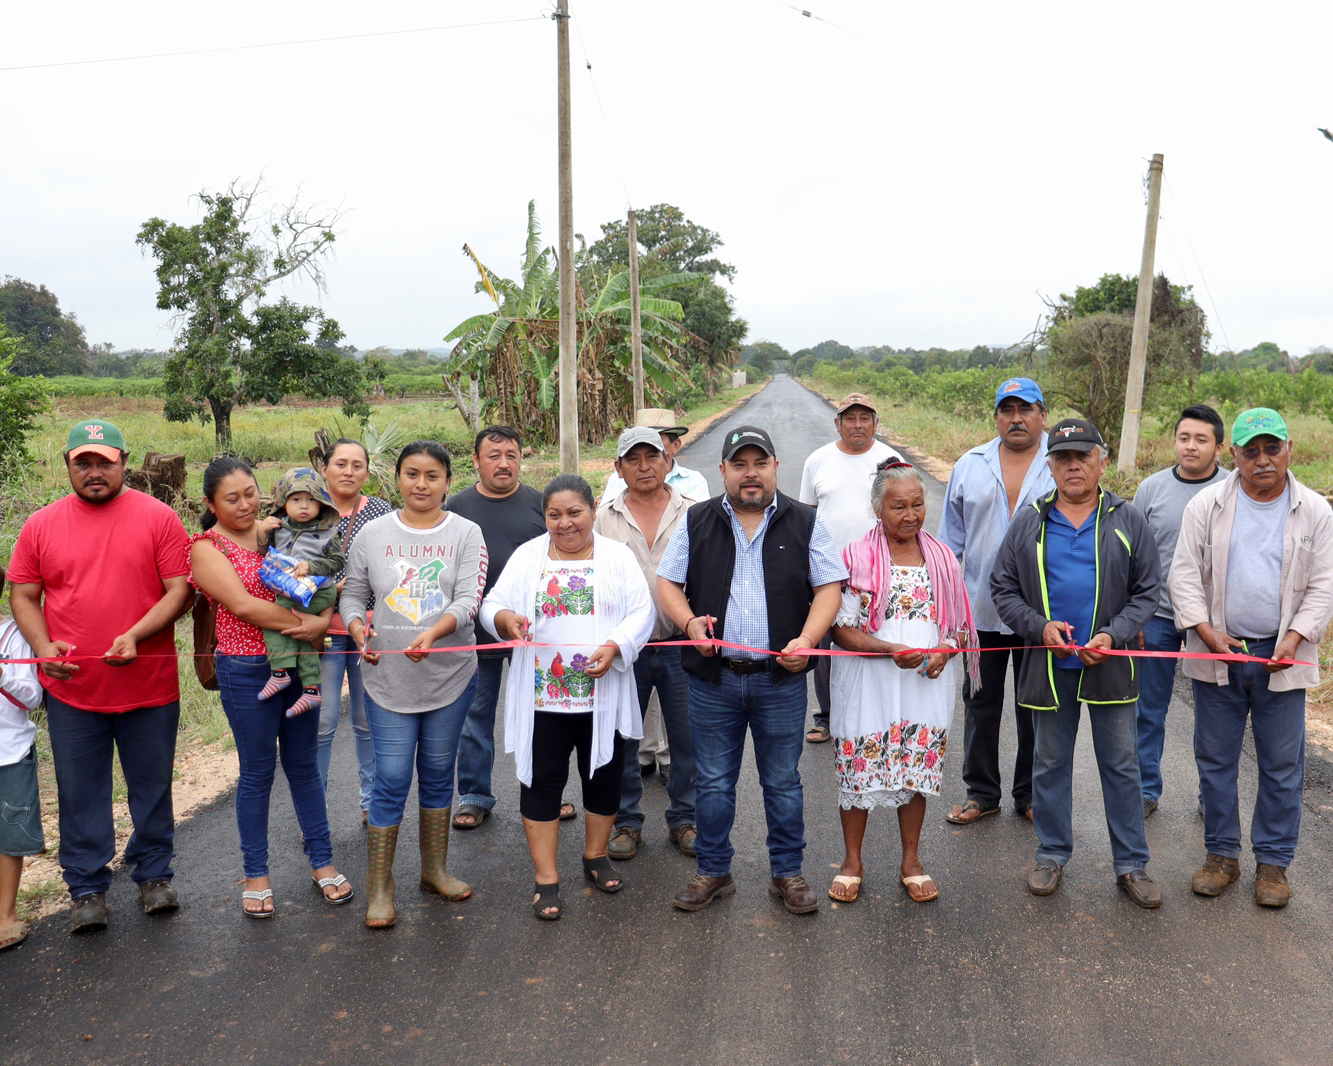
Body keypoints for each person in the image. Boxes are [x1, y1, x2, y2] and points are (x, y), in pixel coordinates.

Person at [9, 419, 192, 933]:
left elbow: (180, 590)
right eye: (82, 463)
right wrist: (43, 647)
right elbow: (23, 594)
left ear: (124, 462)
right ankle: (86, 886)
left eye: (103, 463)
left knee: (152, 786)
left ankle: (154, 875)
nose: (93, 472)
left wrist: (135, 634)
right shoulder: (41, 525)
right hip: (72, 687)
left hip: (149, 686)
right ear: (67, 466)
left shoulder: (157, 517)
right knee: (80, 790)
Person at [657, 425, 847, 915]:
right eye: (739, 464)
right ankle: (713, 870)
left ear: (775, 468)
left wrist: (806, 639)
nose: (750, 474)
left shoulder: (806, 521)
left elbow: (829, 589)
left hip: (778, 680)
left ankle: (787, 873)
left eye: (759, 463)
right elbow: (668, 584)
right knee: (714, 781)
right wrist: (689, 622)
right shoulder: (696, 520)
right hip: (712, 680)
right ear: (722, 471)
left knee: (782, 781)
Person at [990, 418, 1163, 908]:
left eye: (1082, 456)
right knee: (1049, 763)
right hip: (1049, 668)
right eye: (1063, 458)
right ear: (1050, 465)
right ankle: (1051, 854)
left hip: (1109, 665)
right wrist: (1037, 627)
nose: (1073, 466)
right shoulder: (1030, 520)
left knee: (1122, 765)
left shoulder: (1127, 519)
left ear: (1101, 462)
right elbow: (1002, 587)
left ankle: (1132, 865)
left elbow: (1148, 591)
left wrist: (1113, 633)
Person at [1170, 408, 1333, 907]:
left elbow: (1324, 586)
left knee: (1283, 764)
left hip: (1283, 655)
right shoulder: (1205, 504)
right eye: (1250, 450)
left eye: (1272, 448)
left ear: (1290, 450)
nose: (1262, 460)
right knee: (1216, 759)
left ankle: (1273, 866)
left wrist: (1297, 637)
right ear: (1233, 455)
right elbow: (1183, 576)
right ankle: (1221, 856)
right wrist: (1206, 632)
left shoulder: (1316, 510)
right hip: (1221, 649)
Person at [480, 475, 654, 920]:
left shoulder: (616, 557)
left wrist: (615, 644)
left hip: (603, 692)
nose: (565, 523)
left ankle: (595, 856)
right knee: (542, 785)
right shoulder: (527, 557)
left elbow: (642, 610)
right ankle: (545, 879)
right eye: (554, 515)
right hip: (543, 700)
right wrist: (503, 618)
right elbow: (491, 603)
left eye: (574, 512)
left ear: (593, 511)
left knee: (605, 777)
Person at [189, 457, 352, 918]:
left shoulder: (279, 531)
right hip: (246, 669)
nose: (244, 505)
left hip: (299, 665)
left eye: (250, 494)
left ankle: (322, 862)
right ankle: (256, 873)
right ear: (210, 503)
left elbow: (327, 579)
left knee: (303, 768)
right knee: (257, 773)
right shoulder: (206, 547)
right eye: (231, 498)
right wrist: (312, 625)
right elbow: (242, 606)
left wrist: (321, 620)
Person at [341, 441, 487, 929]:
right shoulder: (372, 534)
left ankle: (434, 870)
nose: (420, 484)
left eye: (431, 475)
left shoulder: (466, 532)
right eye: (411, 474)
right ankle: (380, 888)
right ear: (397, 478)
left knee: (439, 769)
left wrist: (438, 630)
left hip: (449, 675)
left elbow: (469, 598)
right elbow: (354, 595)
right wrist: (359, 628)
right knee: (392, 776)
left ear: (448, 481)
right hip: (387, 679)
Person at [829, 462, 977, 904]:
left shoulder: (943, 558)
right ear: (878, 509)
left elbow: (959, 626)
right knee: (859, 767)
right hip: (867, 679)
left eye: (917, 504)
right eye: (899, 506)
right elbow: (841, 628)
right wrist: (886, 649)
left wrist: (945, 650)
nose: (910, 515)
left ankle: (911, 860)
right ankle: (852, 861)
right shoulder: (855, 557)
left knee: (916, 767)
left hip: (925, 681)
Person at [938, 376, 1054, 824]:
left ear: (1043, 415)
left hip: (1037, 614)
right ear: (997, 417)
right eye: (1007, 410)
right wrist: (947, 612)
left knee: (1034, 707)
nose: (1017, 418)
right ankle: (981, 793)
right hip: (979, 610)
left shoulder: (1060, 462)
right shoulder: (970, 464)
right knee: (980, 704)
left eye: (1026, 409)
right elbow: (950, 544)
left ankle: (1028, 795)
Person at [594, 426, 700, 860]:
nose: (643, 467)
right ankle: (627, 822)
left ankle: (685, 819)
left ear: (667, 462)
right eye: (632, 459)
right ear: (618, 468)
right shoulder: (603, 518)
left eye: (651, 457)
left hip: (680, 646)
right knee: (623, 738)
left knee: (687, 739)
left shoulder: (696, 512)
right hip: (625, 651)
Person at [446, 426, 546, 830]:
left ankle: (544, 791)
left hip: (532, 633)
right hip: (474, 633)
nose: (503, 463)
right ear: (475, 460)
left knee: (541, 715)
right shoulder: (455, 508)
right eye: (493, 455)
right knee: (475, 714)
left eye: (511, 454)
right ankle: (473, 794)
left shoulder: (542, 505)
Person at [1131, 404, 1228, 816]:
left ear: (1220, 448)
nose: (1191, 446)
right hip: (1158, 617)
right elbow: (1132, 555)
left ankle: (1212, 798)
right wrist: (1132, 616)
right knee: (1148, 709)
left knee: (1213, 716)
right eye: (1184, 437)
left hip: (1214, 624)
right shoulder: (1151, 490)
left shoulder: (1233, 489)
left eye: (1201, 439)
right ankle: (1145, 790)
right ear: (1174, 441)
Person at [798, 392, 903, 744]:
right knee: (827, 643)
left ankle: (879, 713)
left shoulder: (891, 459)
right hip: (828, 570)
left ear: (876, 422)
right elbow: (807, 513)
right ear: (837, 423)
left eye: (865, 418)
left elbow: (903, 508)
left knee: (876, 638)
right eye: (850, 418)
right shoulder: (818, 460)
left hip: (878, 569)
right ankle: (826, 716)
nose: (857, 425)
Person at [316, 439, 394, 824]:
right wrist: (338, 587)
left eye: (357, 465)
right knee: (323, 721)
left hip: (370, 629)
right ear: (325, 467)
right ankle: (314, 810)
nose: (349, 472)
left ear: (367, 472)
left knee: (367, 720)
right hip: (320, 634)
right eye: (341, 464)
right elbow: (282, 568)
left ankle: (371, 803)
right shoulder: (305, 508)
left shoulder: (381, 512)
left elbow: (394, 565)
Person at [255, 468, 345, 717]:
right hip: (292, 591)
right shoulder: (278, 528)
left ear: (322, 502)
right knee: (302, 634)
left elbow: (338, 561)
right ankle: (312, 689)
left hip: (319, 593)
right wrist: (262, 533)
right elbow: (265, 554)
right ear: (284, 502)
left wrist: (312, 567)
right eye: (296, 500)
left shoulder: (328, 532)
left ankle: (280, 672)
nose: (303, 506)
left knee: (274, 620)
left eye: (311, 500)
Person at [0, 565, 44, 952]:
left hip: (9, 749)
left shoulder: (13, 635)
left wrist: (2, 675)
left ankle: (6, 916)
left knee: (9, 835)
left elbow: (32, 697)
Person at [600, 408, 710, 504]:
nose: (644, 467)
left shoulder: (693, 481)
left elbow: (700, 521)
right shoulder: (618, 480)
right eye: (641, 443)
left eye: (656, 441)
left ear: (676, 445)